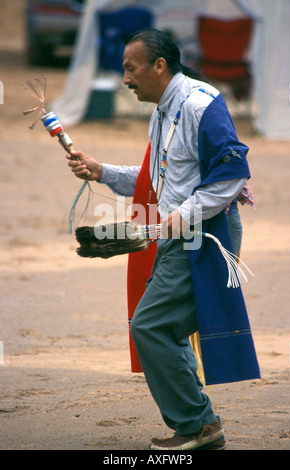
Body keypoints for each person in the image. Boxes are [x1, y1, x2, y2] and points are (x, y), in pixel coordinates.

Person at [66, 28, 260, 451]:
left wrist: (181, 216)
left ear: (159, 66)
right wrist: (102, 172)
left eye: (130, 69)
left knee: (152, 325)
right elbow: (157, 181)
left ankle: (199, 425)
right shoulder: (162, 111)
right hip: (180, 231)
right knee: (161, 327)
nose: (125, 79)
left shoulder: (199, 103)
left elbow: (232, 174)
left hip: (205, 235)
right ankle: (199, 422)